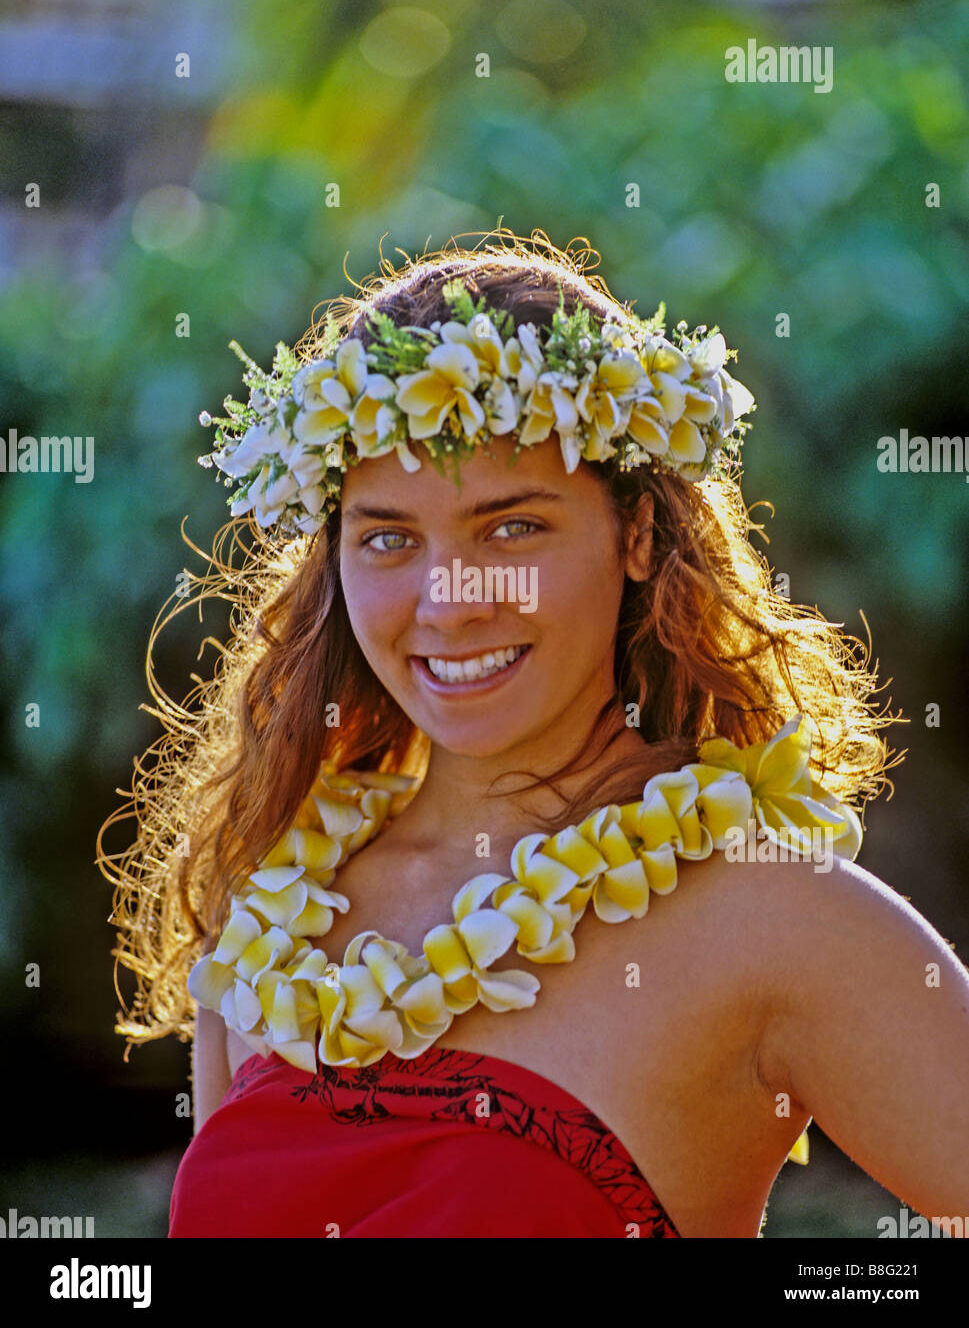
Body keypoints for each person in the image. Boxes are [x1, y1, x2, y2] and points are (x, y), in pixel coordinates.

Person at [98, 229, 969, 1239]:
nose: (450, 600)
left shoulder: (776, 918)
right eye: (388, 536)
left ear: (637, 535)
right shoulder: (263, 911)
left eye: (513, 527)